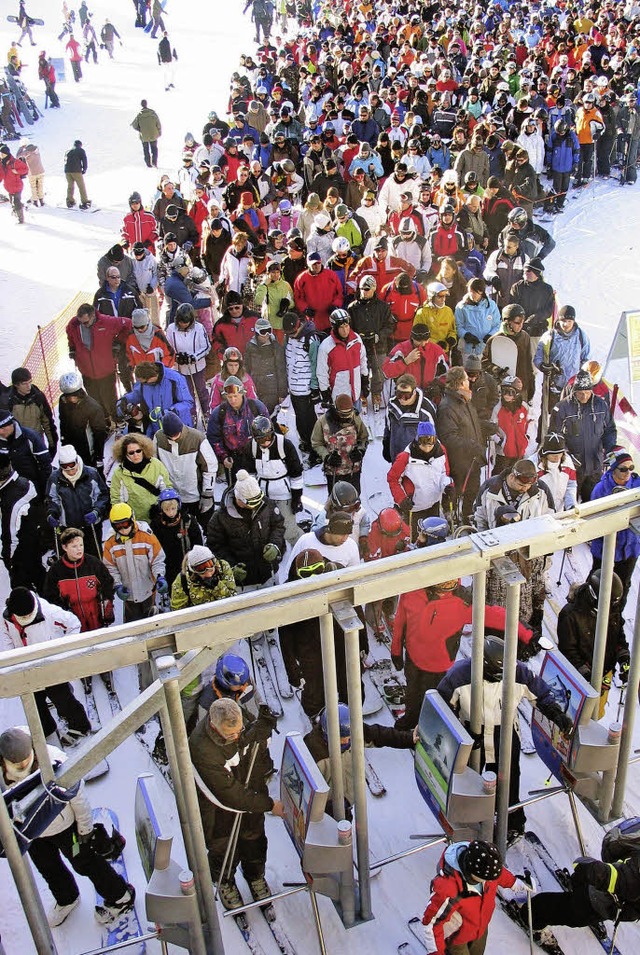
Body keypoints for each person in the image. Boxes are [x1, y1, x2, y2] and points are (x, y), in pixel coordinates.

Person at [439, 636, 573, 840]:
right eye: (495, 674)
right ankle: (470, 820)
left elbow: (540, 694)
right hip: (472, 733)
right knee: (470, 778)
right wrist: (459, 734)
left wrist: (557, 714)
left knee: (508, 780)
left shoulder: (518, 672)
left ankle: (513, 822)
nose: (500, 678)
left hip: (505, 732)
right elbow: (443, 710)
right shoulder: (459, 676)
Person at [0, 727, 134, 928]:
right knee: (48, 868)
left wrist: (85, 829)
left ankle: (120, 896)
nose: (21, 766)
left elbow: (78, 797)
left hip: (64, 825)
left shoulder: (53, 760)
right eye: (15, 764)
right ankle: (67, 898)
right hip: (31, 831)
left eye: (24, 761)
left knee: (86, 862)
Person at [189, 698, 284, 910]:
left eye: (239, 730)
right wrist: (268, 804)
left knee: (254, 838)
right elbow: (229, 795)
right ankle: (225, 880)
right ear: (214, 726)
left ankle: (255, 875)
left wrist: (261, 732)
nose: (236, 737)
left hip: (249, 789)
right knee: (223, 847)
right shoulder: (202, 748)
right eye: (230, 734)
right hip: (218, 807)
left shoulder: (240, 720)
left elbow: (251, 748)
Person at [1, 588, 90, 742]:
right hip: (25, 667)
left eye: (28, 615)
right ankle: (46, 728)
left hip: (49, 666)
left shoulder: (49, 612)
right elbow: (6, 637)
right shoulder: (5, 617)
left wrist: (61, 651)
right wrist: (13, 658)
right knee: (35, 702)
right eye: (22, 616)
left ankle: (81, 726)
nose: (26, 618)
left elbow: (74, 624)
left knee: (62, 698)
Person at [305, 703, 415, 816]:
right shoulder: (315, 756)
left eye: (350, 738)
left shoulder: (352, 732)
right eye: (343, 739)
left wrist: (409, 739)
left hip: (346, 798)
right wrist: (327, 808)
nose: (347, 742)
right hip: (328, 809)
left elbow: (378, 734)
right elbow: (305, 792)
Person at [527, 839, 640, 943]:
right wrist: (591, 870)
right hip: (597, 899)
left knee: (583, 898)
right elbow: (621, 878)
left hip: (611, 899)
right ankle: (530, 914)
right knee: (571, 911)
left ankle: (578, 884)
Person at [421, 840, 521, 955]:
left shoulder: (485, 863)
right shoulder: (448, 889)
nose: (490, 881)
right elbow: (432, 923)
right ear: (471, 872)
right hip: (456, 938)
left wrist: (514, 883)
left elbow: (498, 873)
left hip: (480, 928)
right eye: (485, 878)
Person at [558, 570, 629, 719]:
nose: (612, 608)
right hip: (579, 679)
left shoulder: (612, 609)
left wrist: (624, 658)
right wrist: (587, 674)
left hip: (604, 673)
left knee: (597, 712)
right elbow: (567, 650)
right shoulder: (571, 614)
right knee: (578, 716)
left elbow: (618, 636)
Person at [206, 469, 285, 588]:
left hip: (269, 574)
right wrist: (231, 567)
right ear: (239, 499)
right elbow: (215, 546)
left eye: (259, 499)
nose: (258, 504)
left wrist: (275, 545)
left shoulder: (266, 504)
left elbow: (278, 526)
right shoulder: (220, 517)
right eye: (253, 502)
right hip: (242, 583)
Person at [550, 370, 617, 499]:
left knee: (592, 503)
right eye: (580, 393)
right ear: (574, 391)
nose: (584, 396)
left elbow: (609, 430)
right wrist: (566, 455)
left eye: (587, 392)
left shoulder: (601, 405)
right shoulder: (562, 408)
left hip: (595, 466)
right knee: (569, 503)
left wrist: (610, 450)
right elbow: (555, 436)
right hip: (572, 468)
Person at [436, 367, 490, 521]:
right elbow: (448, 437)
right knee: (457, 493)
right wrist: (472, 445)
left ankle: (467, 516)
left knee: (473, 490)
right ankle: (451, 518)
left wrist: (486, 426)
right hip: (459, 462)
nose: (469, 381)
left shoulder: (464, 400)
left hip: (472, 459)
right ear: (460, 383)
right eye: (466, 379)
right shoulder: (447, 406)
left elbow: (469, 424)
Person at [589, 449, 640, 613]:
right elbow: (593, 520)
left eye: (630, 468)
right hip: (606, 548)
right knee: (598, 581)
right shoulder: (600, 490)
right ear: (613, 469)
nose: (628, 472)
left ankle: (615, 618)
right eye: (623, 469)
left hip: (630, 549)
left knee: (623, 584)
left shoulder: (637, 484)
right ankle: (589, 611)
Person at [387, 421, 455, 536]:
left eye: (430, 443)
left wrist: (447, 486)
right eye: (423, 443)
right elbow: (392, 479)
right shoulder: (405, 457)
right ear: (417, 440)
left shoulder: (441, 451)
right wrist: (401, 499)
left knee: (433, 537)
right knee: (415, 540)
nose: (427, 448)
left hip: (433, 504)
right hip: (413, 508)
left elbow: (444, 473)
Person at [66, 303, 131, 423]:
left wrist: (118, 343)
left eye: (85, 322)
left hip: (106, 371)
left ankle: (117, 421)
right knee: (94, 402)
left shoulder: (107, 322)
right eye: (81, 322)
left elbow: (128, 324)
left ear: (92, 317)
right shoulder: (74, 324)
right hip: (86, 372)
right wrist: (72, 349)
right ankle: (104, 423)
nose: (83, 325)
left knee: (110, 400)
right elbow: (70, 335)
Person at [44, 527, 115, 636]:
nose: (79, 549)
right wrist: (63, 612)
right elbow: (50, 595)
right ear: (64, 547)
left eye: (81, 545)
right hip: (72, 616)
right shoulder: (56, 570)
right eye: (74, 546)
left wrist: (107, 602)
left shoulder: (93, 563)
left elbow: (108, 582)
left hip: (94, 613)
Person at [103, 502, 166, 624]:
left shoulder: (146, 536)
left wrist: (160, 576)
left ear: (132, 519)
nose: (123, 529)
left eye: (125, 524)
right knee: (133, 626)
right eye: (118, 526)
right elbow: (110, 567)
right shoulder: (110, 542)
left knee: (152, 623)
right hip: (128, 594)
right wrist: (117, 585)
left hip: (148, 590)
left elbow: (157, 559)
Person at [45, 445, 109, 558]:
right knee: (72, 557)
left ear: (77, 462)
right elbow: (52, 499)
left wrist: (97, 511)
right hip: (69, 528)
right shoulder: (55, 478)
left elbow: (103, 496)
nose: (70, 472)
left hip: (90, 525)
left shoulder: (91, 474)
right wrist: (52, 513)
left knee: (93, 557)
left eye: (72, 468)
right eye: (66, 468)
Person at [154, 411, 217, 524]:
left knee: (203, 526)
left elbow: (210, 467)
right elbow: (155, 465)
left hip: (195, 494)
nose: (173, 438)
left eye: (176, 435)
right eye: (170, 436)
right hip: (171, 496)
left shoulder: (197, 438)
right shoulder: (158, 438)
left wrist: (207, 494)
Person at [248, 415, 303, 545]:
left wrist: (297, 498)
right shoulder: (251, 447)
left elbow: (296, 474)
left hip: (283, 493)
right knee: (265, 527)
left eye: (267, 438)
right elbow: (249, 472)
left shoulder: (284, 445)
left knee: (289, 530)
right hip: (263, 494)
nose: (265, 443)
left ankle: (302, 548)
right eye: (260, 440)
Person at [347, 275, 395, 412]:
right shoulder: (353, 308)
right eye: (362, 288)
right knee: (361, 371)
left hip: (377, 346)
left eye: (367, 289)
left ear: (374, 289)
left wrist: (379, 336)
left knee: (377, 371)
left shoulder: (382, 307)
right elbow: (348, 328)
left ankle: (376, 394)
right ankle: (362, 394)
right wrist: (356, 338)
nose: (364, 291)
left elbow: (390, 326)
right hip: (359, 346)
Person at [207, 376, 268, 479]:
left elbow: (268, 431)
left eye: (235, 396)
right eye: (229, 397)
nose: (233, 400)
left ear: (242, 393)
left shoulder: (256, 407)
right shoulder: (219, 413)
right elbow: (214, 438)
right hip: (233, 460)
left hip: (257, 456)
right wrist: (224, 457)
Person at [281, 311, 322, 461]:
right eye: (288, 333)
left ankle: (316, 448)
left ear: (299, 325)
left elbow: (315, 364)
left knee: (309, 418)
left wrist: (314, 387)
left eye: (293, 332)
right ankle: (305, 441)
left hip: (305, 388)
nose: (291, 335)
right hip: (293, 387)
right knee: (299, 417)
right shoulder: (288, 338)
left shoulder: (311, 340)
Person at [0, 448, 43, 591]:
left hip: (20, 549)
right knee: (38, 572)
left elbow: (11, 533)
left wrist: (8, 557)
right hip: (34, 537)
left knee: (21, 584)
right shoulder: (24, 482)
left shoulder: (10, 500)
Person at [118, 360, 194, 438]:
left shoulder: (174, 378)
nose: (143, 384)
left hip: (176, 426)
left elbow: (188, 402)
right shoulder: (143, 382)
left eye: (144, 382)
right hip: (155, 427)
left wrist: (171, 411)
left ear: (151, 377)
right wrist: (125, 400)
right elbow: (137, 393)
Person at [474, 458, 555, 531]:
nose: (525, 489)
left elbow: (550, 517)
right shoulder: (489, 487)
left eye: (528, 486)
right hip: (496, 543)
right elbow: (479, 518)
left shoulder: (542, 489)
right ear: (512, 477)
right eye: (521, 485)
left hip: (530, 544)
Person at [534, 305, 591, 409]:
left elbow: (586, 359)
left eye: (569, 321)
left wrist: (582, 374)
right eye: (563, 320)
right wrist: (544, 366)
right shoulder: (549, 336)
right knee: (552, 417)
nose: (566, 324)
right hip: (553, 386)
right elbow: (538, 357)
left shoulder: (581, 336)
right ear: (558, 320)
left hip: (574, 387)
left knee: (572, 420)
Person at [311, 394, 369, 494]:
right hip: (333, 471)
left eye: (348, 414)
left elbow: (363, 437)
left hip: (353, 470)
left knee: (354, 498)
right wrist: (327, 457)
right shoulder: (322, 422)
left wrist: (360, 451)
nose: (346, 417)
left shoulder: (355, 418)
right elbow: (316, 443)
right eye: (343, 414)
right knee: (335, 501)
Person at [110, 434, 172, 524]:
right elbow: (116, 500)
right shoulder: (118, 473)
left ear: (144, 450)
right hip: (135, 521)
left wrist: (162, 508)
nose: (136, 455)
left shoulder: (156, 464)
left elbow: (167, 489)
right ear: (125, 454)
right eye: (131, 453)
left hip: (159, 518)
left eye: (138, 451)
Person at [149, 488, 202, 589]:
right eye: (167, 510)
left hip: (187, 563)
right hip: (167, 565)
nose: (171, 513)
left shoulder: (188, 521)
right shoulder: (156, 525)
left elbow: (198, 543)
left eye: (173, 509)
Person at [164, 303, 211, 417]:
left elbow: (206, 347)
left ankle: (206, 412)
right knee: (187, 393)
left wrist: (193, 357)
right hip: (181, 368)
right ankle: (192, 414)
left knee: (201, 390)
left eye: (186, 322)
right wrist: (177, 357)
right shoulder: (171, 329)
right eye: (181, 322)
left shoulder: (199, 328)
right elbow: (168, 347)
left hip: (197, 366)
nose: (183, 325)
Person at [317, 309, 369, 408]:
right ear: (335, 328)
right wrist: (325, 391)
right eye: (341, 327)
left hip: (355, 394)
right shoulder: (326, 347)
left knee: (356, 422)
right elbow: (322, 372)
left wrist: (365, 378)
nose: (345, 330)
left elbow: (363, 360)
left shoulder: (357, 339)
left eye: (346, 326)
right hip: (339, 398)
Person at [382, 373, 437, 465]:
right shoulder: (392, 406)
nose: (402, 399)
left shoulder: (426, 411)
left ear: (414, 392)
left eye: (407, 395)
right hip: (397, 458)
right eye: (399, 394)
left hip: (416, 462)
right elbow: (388, 428)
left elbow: (433, 438)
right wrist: (386, 446)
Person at [57, 371, 107, 472]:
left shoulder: (93, 408)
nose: (71, 399)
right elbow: (63, 421)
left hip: (88, 450)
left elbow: (100, 433)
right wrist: (64, 441)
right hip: (71, 446)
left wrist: (98, 456)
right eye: (68, 396)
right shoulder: (63, 401)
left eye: (74, 395)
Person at [0, 367, 57, 454]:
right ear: (16, 385)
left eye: (30, 382)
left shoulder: (38, 397)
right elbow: (4, 427)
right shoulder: (7, 400)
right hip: (17, 446)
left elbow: (48, 423)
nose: (28, 386)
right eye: (24, 384)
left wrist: (52, 446)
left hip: (37, 443)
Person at [382, 324, 448, 394]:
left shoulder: (436, 350)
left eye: (426, 340)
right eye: (419, 341)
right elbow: (386, 372)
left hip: (429, 394)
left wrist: (438, 385)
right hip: (406, 394)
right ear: (412, 338)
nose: (422, 344)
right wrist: (406, 361)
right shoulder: (401, 349)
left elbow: (447, 372)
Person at [0, 409, 51, 497]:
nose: (0, 432)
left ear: (11, 424)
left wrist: (45, 491)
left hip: (33, 489)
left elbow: (45, 465)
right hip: (8, 489)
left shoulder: (30, 437)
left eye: (2, 428)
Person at [489, 377, 534, 474]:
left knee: (517, 475)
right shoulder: (498, 409)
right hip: (504, 453)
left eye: (510, 392)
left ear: (517, 393)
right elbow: (491, 429)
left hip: (520, 451)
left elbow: (530, 423)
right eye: (504, 391)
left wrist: (527, 437)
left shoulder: (524, 407)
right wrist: (500, 441)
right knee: (501, 474)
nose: (506, 396)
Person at [293, 251, 344, 334]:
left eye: (318, 263)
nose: (316, 266)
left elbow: (339, 293)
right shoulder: (301, 279)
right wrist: (305, 309)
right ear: (308, 264)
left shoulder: (331, 275)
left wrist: (336, 305)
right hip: (314, 320)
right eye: (313, 264)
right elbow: (298, 297)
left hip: (330, 318)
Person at [244, 317, 288, 413]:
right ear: (257, 332)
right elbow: (246, 369)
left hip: (272, 389)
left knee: (271, 415)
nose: (266, 335)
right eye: (263, 332)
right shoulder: (250, 347)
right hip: (256, 388)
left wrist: (282, 393)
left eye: (269, 331)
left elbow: (281, 370)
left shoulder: (275, 346)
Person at [454, 278, 501, 362]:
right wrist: (465, 335)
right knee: (469, 371)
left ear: (481, 292)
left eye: (475, 292)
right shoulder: (461, 306)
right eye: (470, 291)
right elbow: (458, 326)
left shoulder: (491, 305)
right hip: (468, 348)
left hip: (485, 348)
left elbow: (497, 324)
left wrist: (490, 336)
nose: (472, 294)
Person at [532, 432, 578, 513]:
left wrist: (571, 505)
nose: (557, 457)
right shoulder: (533, 464)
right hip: (539, 513)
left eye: (560, 453)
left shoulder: (567, 461)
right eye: (553, 454)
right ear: (545, 453)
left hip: (559, 511)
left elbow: (571, 485)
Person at [0, 143, 28, 224]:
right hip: (8, 187)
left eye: (2, 154)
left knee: (16, 202)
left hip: (17, 186)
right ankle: (17, 210)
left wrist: (17, 171)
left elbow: (25, 169)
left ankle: (21, 219)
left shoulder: (14, 162)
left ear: (6, 154)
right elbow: (1, 174)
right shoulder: (1, 163)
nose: (1, 155)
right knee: (12, 202)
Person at [131, 99, 162, 168]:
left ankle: (148, 164)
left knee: (146, 149)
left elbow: (134, 125)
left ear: (141, 105)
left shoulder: (139, 115)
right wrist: (159, 132)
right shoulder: (152, 113)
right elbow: (158, 123)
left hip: (144, 136)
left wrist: (140, 129)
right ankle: (154, 162)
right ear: (146, 104)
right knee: (154, 148)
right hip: (153, 134)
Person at [63, 140, 90, 210]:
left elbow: (65, 160)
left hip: (67, 171)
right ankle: (84, 202)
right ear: (80, 145)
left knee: (70, 186)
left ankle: (70, 201)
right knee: (81, 186)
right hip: (76, 171)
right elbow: (84, 160)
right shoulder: (80, 150)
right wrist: (84, 169)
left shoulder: (68, 151)